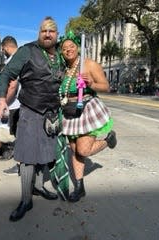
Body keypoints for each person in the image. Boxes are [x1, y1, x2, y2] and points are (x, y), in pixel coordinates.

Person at [0, 16, 65, 221]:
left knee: (45, 153)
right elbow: (6, 73)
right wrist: (1, 99)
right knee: (27, 156)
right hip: (30, 110)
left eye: (51, 31)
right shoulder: (27, 50)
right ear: (39, 33)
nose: (47, 34)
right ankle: (26, 200)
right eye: (44, 30)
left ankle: (37, 187)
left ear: (57, 34)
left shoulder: (61, 54)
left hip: (51, 112)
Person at [59, 31, 117, 202]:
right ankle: (79, 187)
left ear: (77, 47)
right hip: (68, 112)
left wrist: (90, 83)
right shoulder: (64, 69)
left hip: (85, 108)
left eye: (71, 46)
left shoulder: (89, 65)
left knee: (83, 150)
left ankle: (108, 140)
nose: (68, 50)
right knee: (75, 151)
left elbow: (106, 86)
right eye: (64, 48)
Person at [0, 35, 21, 175]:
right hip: (26, 103)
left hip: (16, 105)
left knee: (19, 136)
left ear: (6, 47)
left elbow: (12, 85)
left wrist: (3, 102)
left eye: (3, 50)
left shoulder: (13, 61)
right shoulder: (24, 58)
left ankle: (20, 165)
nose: (3, 52)